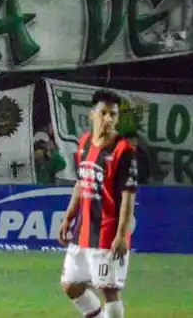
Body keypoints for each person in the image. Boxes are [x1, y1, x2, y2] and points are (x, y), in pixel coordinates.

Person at [58, 90, 137, 318]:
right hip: (83, 231)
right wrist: (68, 217)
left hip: (107, 232)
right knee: (70, 285)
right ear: (92, 115)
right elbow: (81, 183)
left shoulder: (124, 150)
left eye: (113, 114)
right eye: (104, 113)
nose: (109, 119)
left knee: (109, 290)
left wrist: (121, 235)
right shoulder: (83, 144)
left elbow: (128, 195)